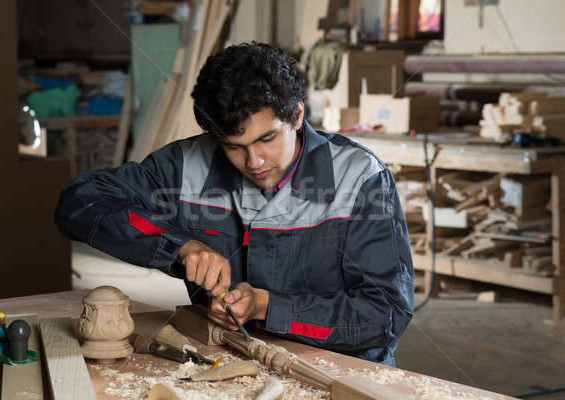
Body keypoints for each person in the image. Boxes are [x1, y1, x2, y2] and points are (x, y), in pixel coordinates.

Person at [55, 42, 413, 366]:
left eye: (267, 139)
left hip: (342, 372)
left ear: (298, 116)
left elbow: (386, 317)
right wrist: (180, 247)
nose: (254, 161)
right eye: (233, 146)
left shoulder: (361, 178)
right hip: (229, 365)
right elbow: (80, 203)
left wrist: (269, 308)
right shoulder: (185, 165)